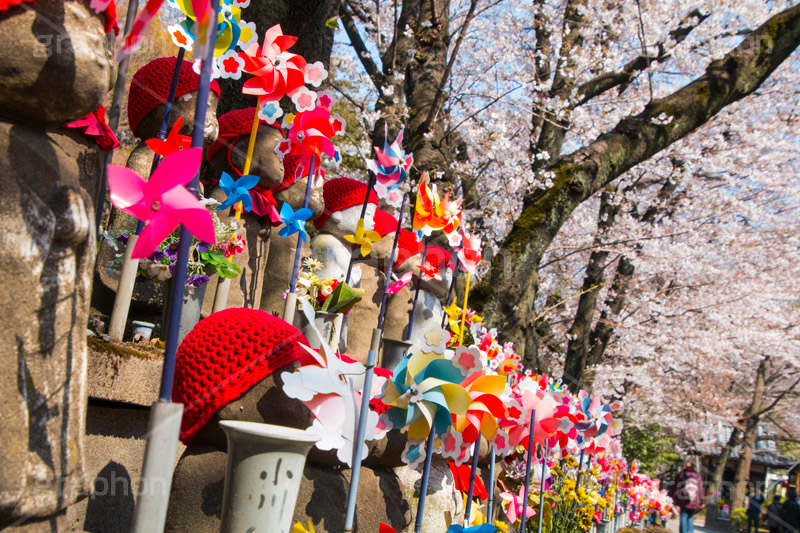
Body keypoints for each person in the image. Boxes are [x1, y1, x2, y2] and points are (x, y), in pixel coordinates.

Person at [668, 458, 705, 533]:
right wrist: (702, 501)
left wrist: (671, 497)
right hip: (694, 500)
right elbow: (700, 490)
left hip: (683, 499)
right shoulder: (698, 476)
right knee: (690, 516)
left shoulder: (681, 474)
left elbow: (675, 487)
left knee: (684, 516)